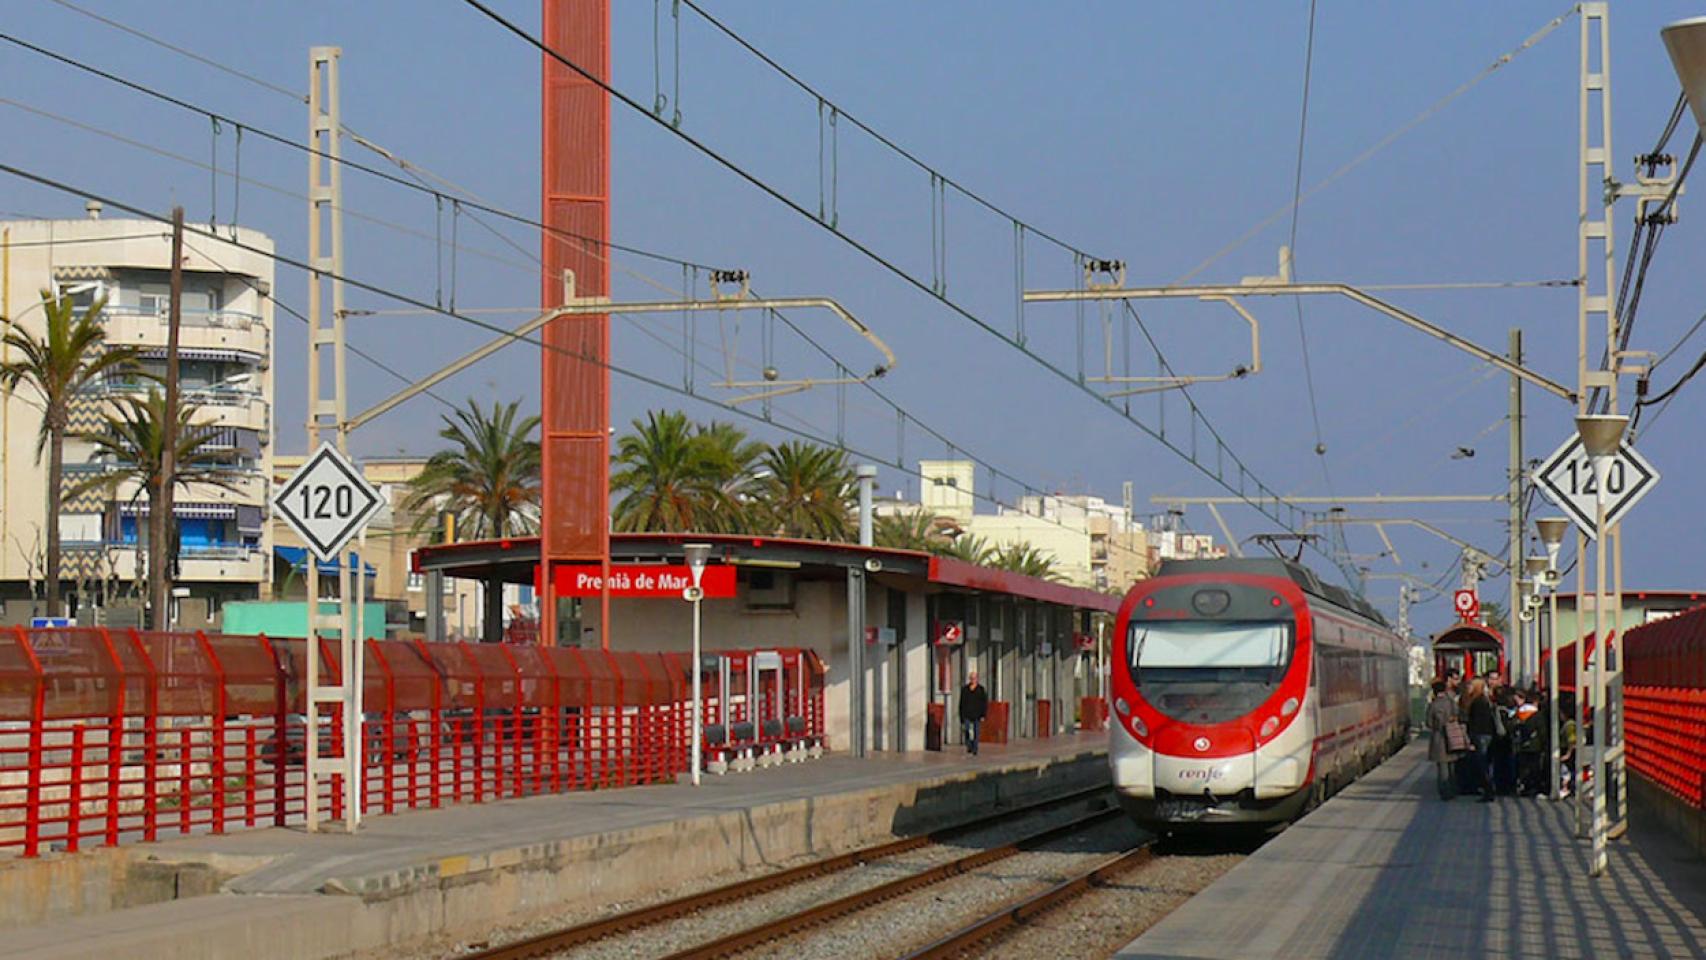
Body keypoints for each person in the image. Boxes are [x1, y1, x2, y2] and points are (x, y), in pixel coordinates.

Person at [1461, 677, 1498, 802]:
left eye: (1471, 685)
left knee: (1482, 763)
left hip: (1480, 735)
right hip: (1486, 734)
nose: (1468, 688)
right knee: (1484, 762)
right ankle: (1488, 789)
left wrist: (1471, 738)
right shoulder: (1484, 700)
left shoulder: (1478, 702)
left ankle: (1488, 790)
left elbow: (1476, 722)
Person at [1425, 680, 1460, 800]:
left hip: (1439, 738)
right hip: (1453, 737)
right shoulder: (1451, 702)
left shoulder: (1433, 705)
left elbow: (1429, 723)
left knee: (1442, 767)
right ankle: (1453, 789)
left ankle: (1445, 792)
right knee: (1452, 766)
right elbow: (1458, 715)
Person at [958, 672, 989, 756]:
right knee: (967, 730)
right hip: (967, 714)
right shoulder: (965, 689)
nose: (973, 680)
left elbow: (984, 703)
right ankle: (969, 745)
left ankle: (975, 748)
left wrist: (983, 715)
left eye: (974, 678)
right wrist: (961, 716)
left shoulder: (981, 689)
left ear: (977, 679)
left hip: (977, 715)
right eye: (971, 678)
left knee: (976, 732)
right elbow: (961, 703)